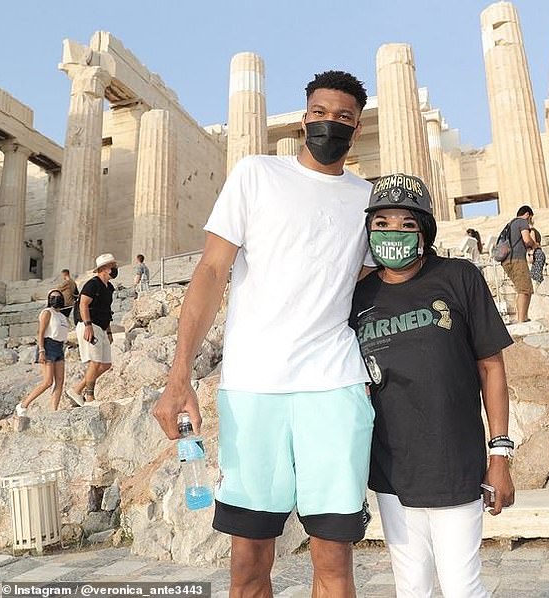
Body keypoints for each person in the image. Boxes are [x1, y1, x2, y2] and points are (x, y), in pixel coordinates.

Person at [153, 71, 375, 597]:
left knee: (335, 561)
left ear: (357, 127)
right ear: (304, 119)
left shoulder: (368, 199)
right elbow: (210, 272)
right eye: (319, 114)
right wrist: (179, 373)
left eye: (343, 118)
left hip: (333, 385)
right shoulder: (256, 174)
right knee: (248, 564)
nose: (329, 125)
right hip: (254, 387)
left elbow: (374, 285)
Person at [350, 173, 515, 598]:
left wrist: (500, 454)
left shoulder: (459, 278)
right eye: (382, 223)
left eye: (407, 223)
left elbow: (490, 367)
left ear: (425, 231)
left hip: (454, 463)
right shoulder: (357, 298)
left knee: (462, 586)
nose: (393, 232)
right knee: (412, 587)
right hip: (391, 470)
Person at [66, 253, 118, 406]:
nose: (115, 269)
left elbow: (106, 310)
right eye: (112, 266)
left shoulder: (109, 287)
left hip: (101, 327)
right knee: (95, 362)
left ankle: (76, 390)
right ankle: (89, 397)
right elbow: (83, 304)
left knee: (105, 364)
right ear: (103, 269)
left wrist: (108, 331)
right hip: (89, 325)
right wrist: (88, 326)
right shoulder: (92, 284)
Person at [15, 290, 70, 416]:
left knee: (60, 380)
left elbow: (61, 333)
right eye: (52, 297)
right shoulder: (47, 312)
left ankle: (54, 411)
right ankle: (23, 405)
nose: (55, 298)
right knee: (47, 381)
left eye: (58, 297)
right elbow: (40, 332)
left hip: (59, 347)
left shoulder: (62, 316)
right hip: (48, 345)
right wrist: (41, 350)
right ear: (49, 299)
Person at [501, 205, 535, 322]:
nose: (530, 221)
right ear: (527, 214)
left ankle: (523, 316)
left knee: (524, 288)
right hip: (517, 259)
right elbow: (526, 239)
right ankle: (521, 319)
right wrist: (534, 244)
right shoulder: (522, 222)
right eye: (530, 218)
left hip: (506, 261)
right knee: (524, 289)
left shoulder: (510, 224)